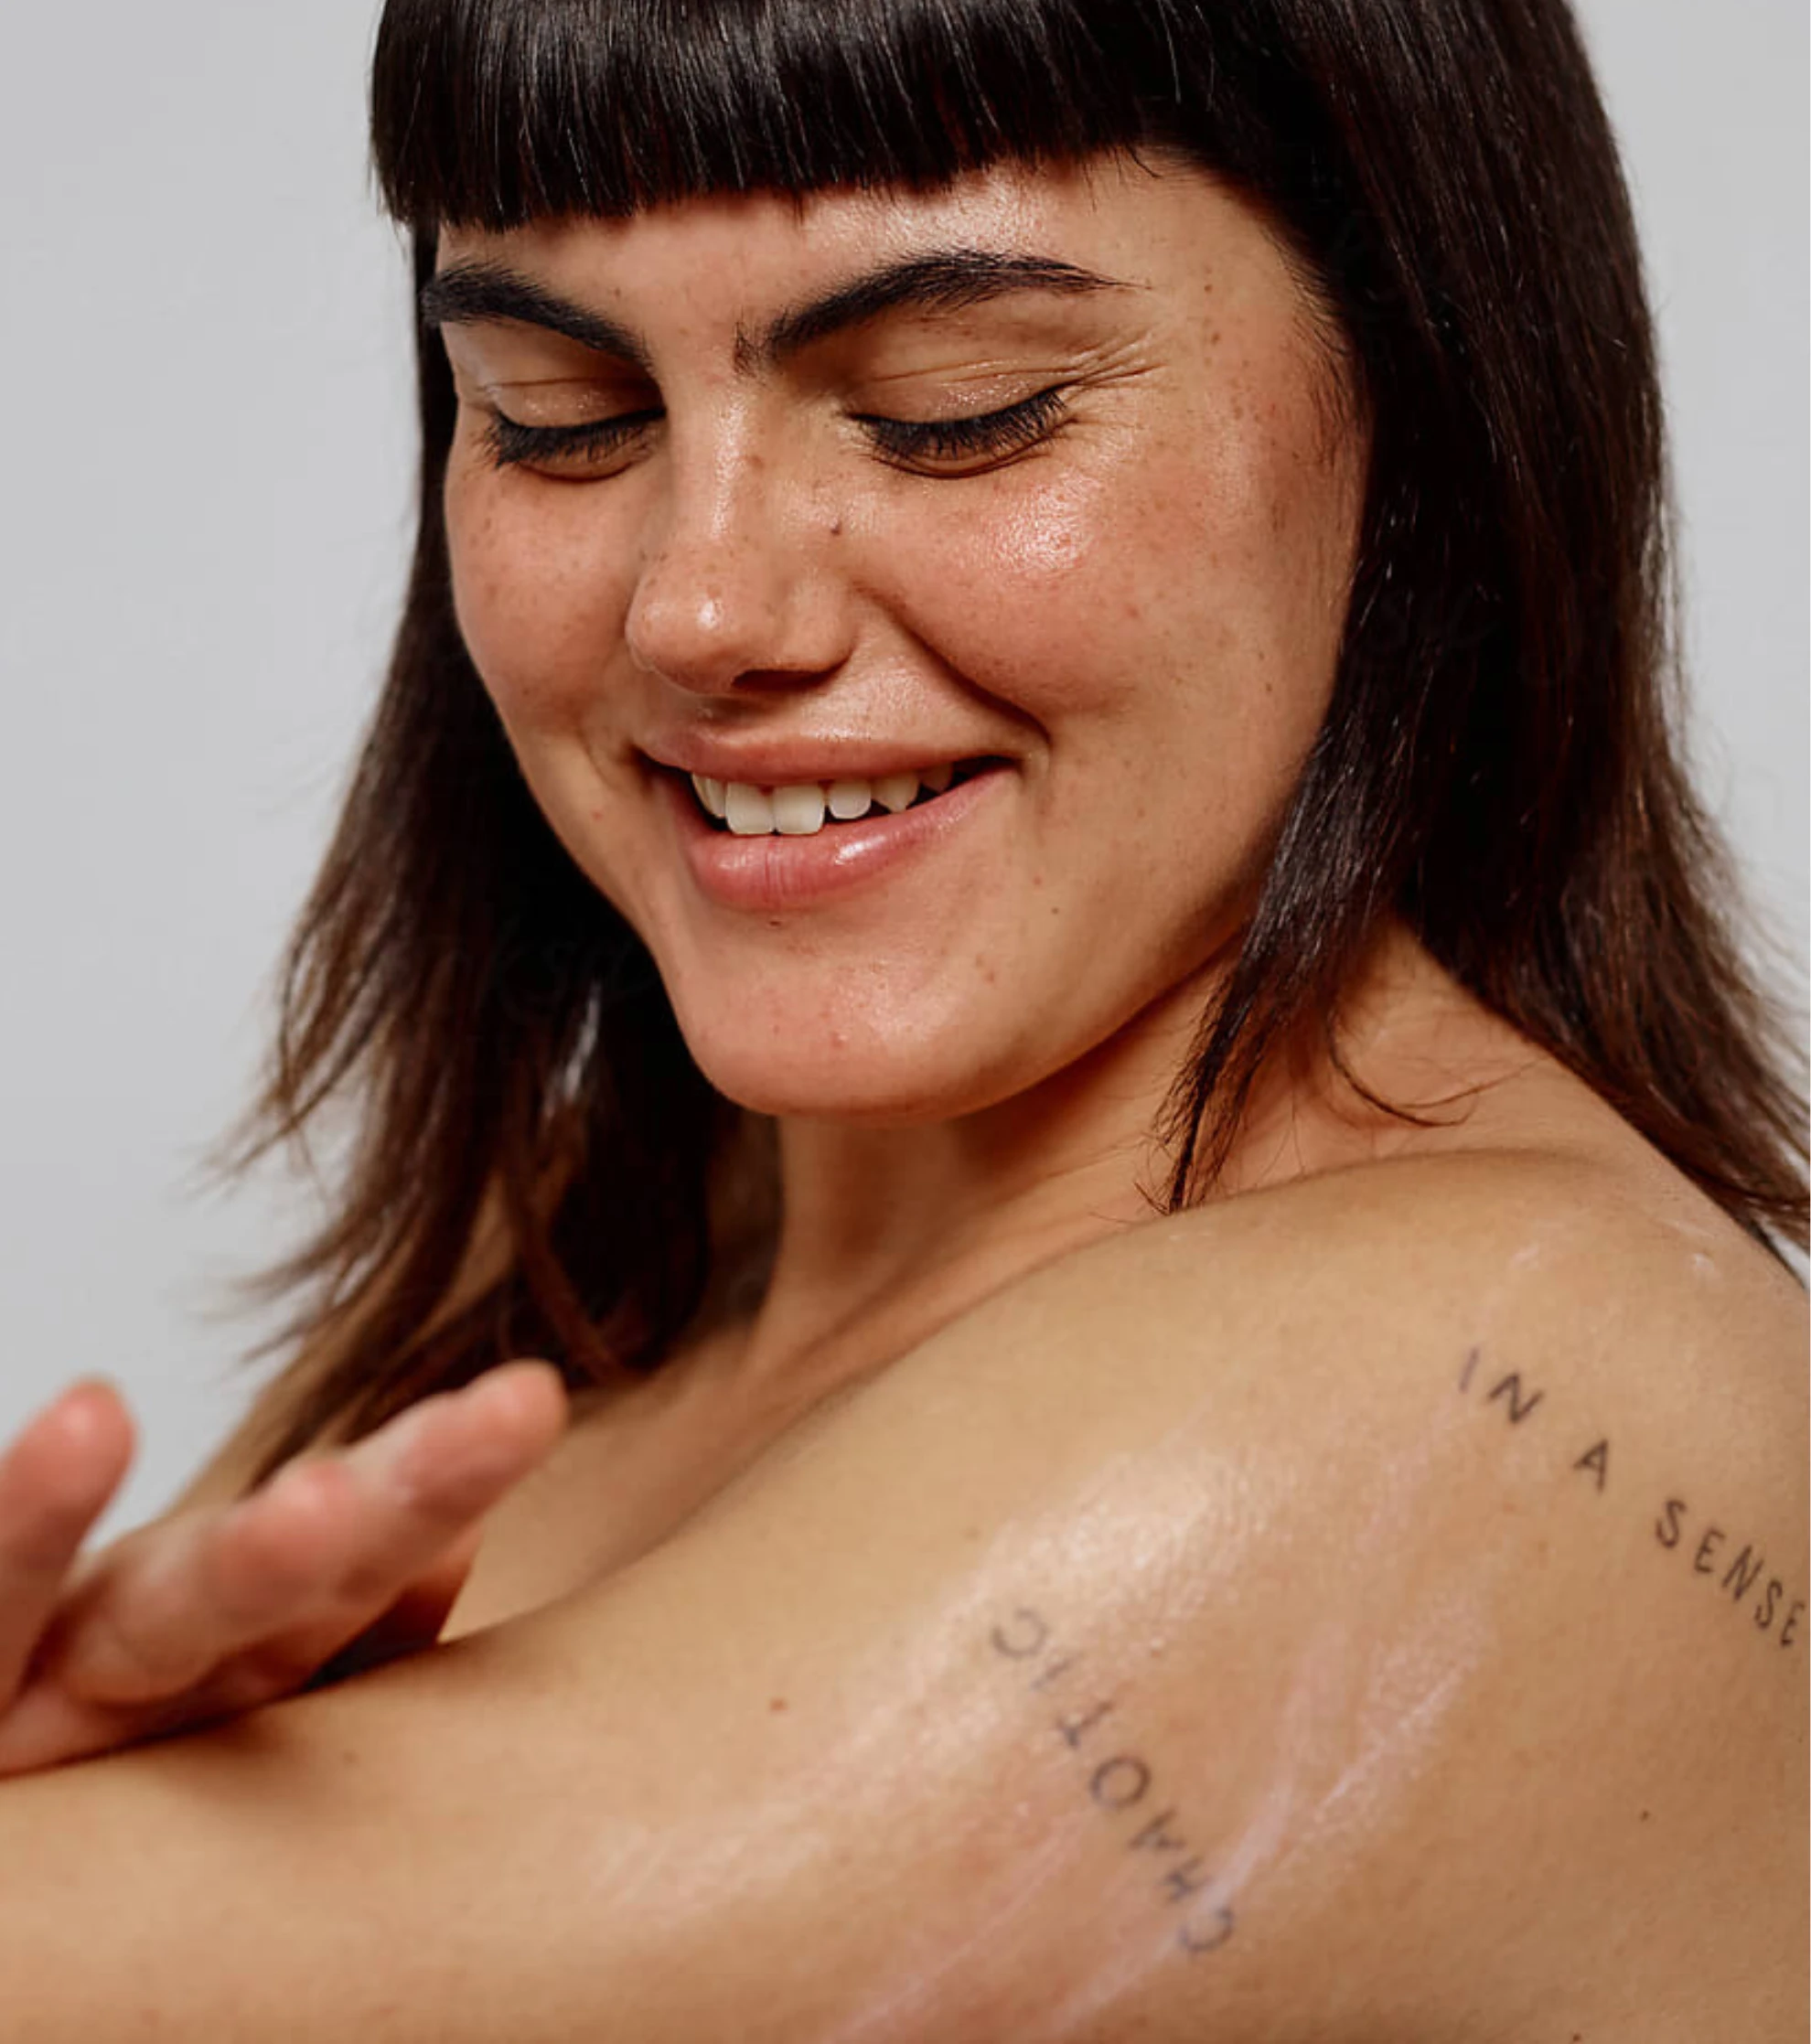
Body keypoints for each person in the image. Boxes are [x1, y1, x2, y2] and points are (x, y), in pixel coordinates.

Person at [0, 0, 1804, 2035]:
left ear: (1429, 403)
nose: (699, 610)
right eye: (558, 411)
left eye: (959, 410)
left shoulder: (1517, 1382)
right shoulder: (570, 1285)